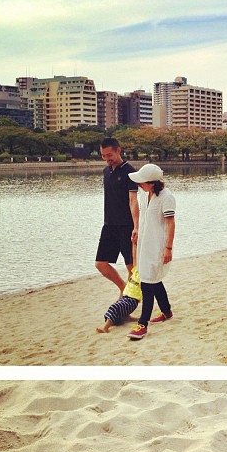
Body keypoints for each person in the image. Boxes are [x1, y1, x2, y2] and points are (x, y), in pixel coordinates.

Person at [125, 164, 176, 341]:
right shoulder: (145, 195)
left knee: (147, 284)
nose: (139, 185)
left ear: (152, 183)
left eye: (142, 182)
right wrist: (137, 229)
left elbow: (170, 223)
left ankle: (142, 324)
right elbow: (145, 219)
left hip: (158, 247)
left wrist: (168, 248)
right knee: (153, 280)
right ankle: (167, 311)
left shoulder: (166, 197)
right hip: (144, 245)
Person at [95, 138, 139, 297]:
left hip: (126, 227)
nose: (107, 159)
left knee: (132, 269)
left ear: (118, 150)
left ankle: (125, 305)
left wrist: (136, 226)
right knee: (100, 264)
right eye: (103, 156)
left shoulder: (130, 172)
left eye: (109, 155)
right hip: (109, 226)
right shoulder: (106, 171)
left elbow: (133, 201)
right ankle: (123, 288)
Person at [96, 244, 141, 333]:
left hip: (132, 300)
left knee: (116, 308)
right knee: (113, 308)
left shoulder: (145, 277)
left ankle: (105, 328)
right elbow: (134, 257)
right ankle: (116, 321)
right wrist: (134, 244)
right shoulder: (135, 270)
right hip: (125, 296)